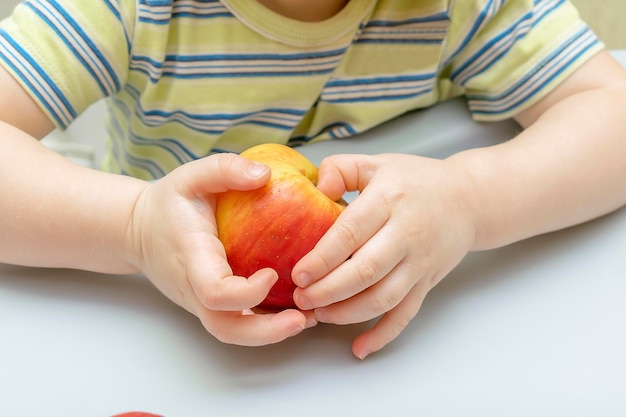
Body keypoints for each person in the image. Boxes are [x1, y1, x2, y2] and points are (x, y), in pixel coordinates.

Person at [1, 0, 625, 360]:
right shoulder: (123, 11)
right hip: (151, 333)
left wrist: (472, 199)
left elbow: (613, 114)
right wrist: (131, 225)